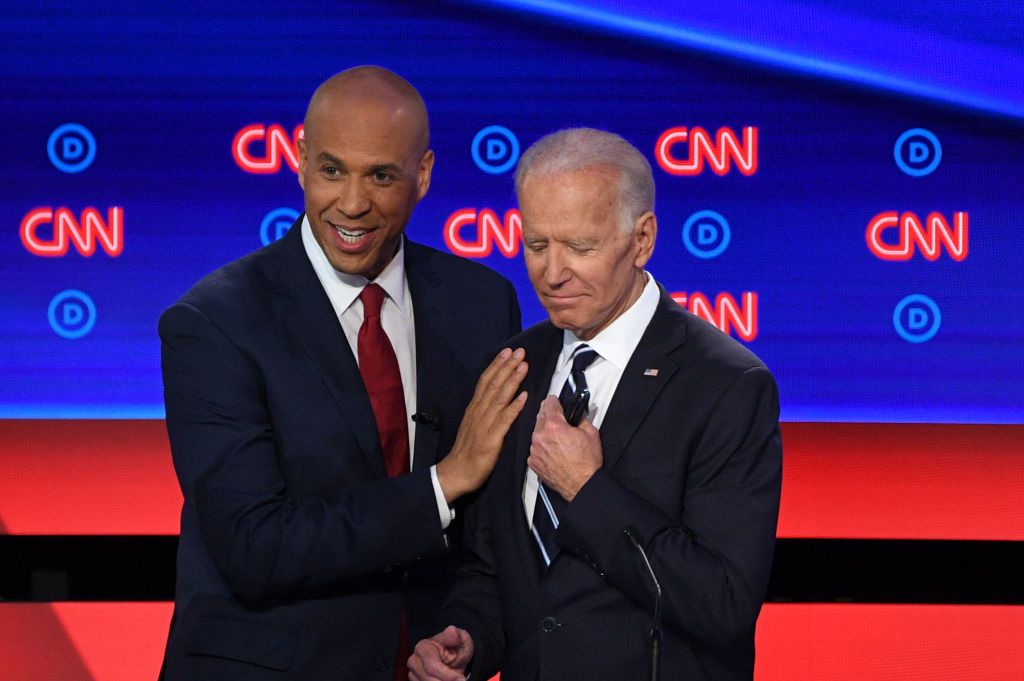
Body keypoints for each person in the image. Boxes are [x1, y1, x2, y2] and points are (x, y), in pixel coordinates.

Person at [158, 66, 527, 681]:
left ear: (423, 176)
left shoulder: (481, 304)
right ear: (300, 160)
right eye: (332, 170)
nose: (352, 203)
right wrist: (442, 483)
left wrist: (473, 632)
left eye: (381, 175)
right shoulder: (215, 322)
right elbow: (253, 546)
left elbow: (490, 534)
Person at [409, 128, 782, 681]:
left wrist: (587, 489)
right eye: (536, 245)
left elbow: (721, 603)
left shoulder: (727, 385)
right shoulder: (513, 366)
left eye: (580, 247)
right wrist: (467, 636)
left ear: (642, 239)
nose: (552, 273)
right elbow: (494, 566)